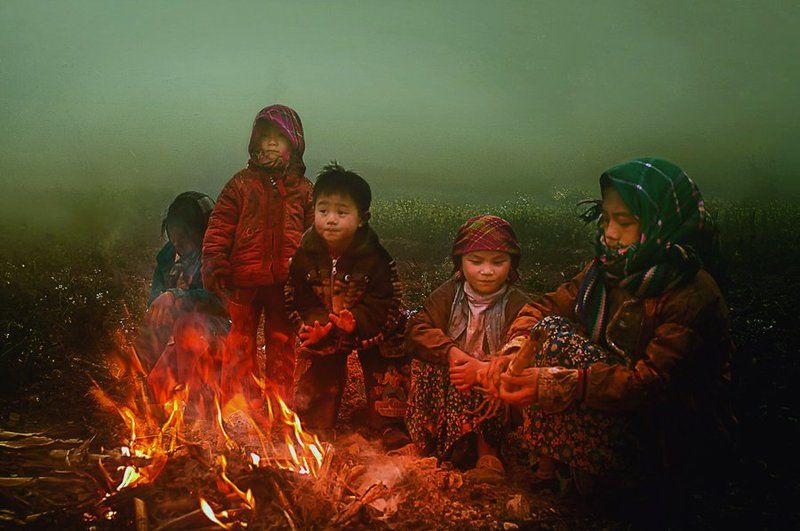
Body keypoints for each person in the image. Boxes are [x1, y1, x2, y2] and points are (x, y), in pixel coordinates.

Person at [484, 158, 733, 520]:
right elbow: (548, 306)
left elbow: (651, 384)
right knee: (549, 330)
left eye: (625, 222)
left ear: (661, 224)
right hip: (616, 407)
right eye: (606, 218)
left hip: (671, 435)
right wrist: (516, 347)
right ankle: (570, 472)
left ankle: (616, 488)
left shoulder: (690, 294)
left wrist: (557, 384)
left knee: (558, 342)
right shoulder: (605, 269)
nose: (610, 233)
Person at [286, 163, 409, 445]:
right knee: (318, 356)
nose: (331, 219)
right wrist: (316, 326)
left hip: (375, 330)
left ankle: (389, 422)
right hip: (329, 325)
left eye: (342, 212)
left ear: (362, 218)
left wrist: (358, 321)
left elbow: (385, 300)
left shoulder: (376, 257)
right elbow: (298, 297)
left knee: (388, 365)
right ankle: (317, 421)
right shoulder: (305, 255)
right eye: (323, 210)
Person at [405, 215, 531, 483]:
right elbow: (417, 328)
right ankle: (423, 442)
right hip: (454, 379)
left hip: (494, 385)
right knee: (431, 361)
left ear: (512, 264)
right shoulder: (448, 294)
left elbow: (527, 346)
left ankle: (489, 451)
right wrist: (451, 352)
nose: (487, 270)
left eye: (498, 262)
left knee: (489, 376)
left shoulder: (518, 303)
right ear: (460, 263)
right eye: (476, 261)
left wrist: (485, 369)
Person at [202, 104, 313, 405]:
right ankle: (239, 407)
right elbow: (220, 225)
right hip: (243, 280)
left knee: (282, 345)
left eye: (281, 135)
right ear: (255, 142)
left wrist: (312, 276)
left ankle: (279, 407)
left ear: (295, 143)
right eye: (266, 136)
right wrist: (214, 264)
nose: (272, 142)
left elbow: (314, 236)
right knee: (238, 344)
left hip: (285, 284)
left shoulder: (303, 191)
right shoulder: (240, 184)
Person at [135, 191, 228, 406]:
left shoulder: (216, 255)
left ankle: (200, 405)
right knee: (156, 386)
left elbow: (221, 300)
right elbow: (155, 302)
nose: (177, 245)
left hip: (211, 338)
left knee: (189, 326)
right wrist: (159, 307)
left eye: (183, 240)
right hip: (176, 342)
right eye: (173, 237)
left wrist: (177, 297)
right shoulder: (168, 257)